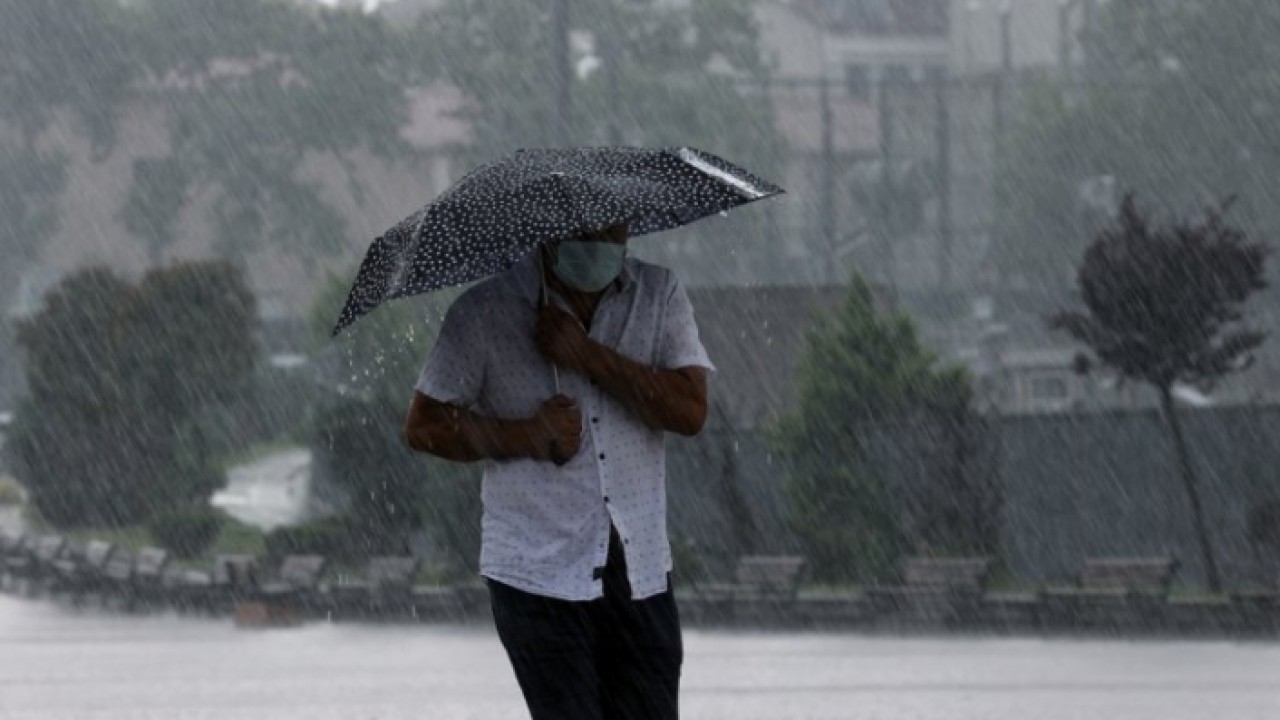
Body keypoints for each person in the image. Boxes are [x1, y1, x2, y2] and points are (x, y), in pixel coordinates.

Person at [403, 222, 712, 720]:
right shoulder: (486, 309)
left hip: (639, 568)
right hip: (536, 572)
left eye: (612, 225)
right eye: (584, 228)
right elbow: (424, 426)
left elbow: (690, 411)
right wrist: (525, 435)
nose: (600, 238)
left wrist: (588, 357)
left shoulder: (659, 294)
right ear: (549, 228)